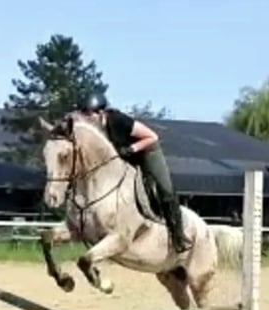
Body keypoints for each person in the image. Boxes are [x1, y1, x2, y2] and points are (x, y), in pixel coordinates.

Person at [78, 93, 192, 253]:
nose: (86, 120)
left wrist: (131, 149)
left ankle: (179, 235)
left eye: (89, 115)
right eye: (84, 115)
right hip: (124, 156)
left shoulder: (119, 120)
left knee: (164, 188)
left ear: (101, 113)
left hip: (147, 152)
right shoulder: (95, 130)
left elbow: (152, 136)